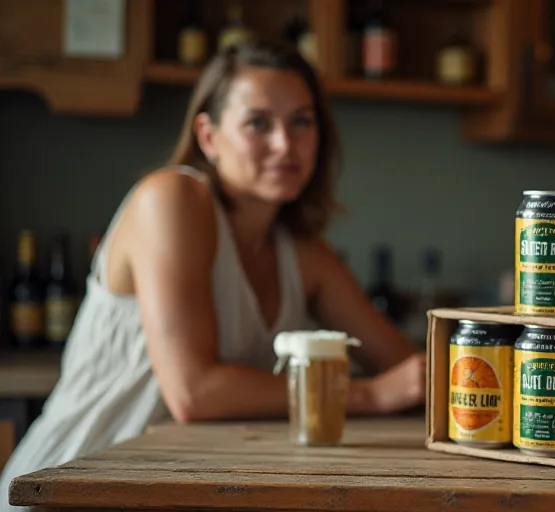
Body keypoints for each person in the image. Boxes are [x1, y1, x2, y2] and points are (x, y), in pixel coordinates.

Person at [2, 41, 425, 509]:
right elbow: (193, 392)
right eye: (258, 123)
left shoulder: (304, 253)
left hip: (173, 491)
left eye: (302, 121)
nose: (285, 143)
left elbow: (408, 372)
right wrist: (365, 394)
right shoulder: (172, 199)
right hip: (65, 485)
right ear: (208, 136)